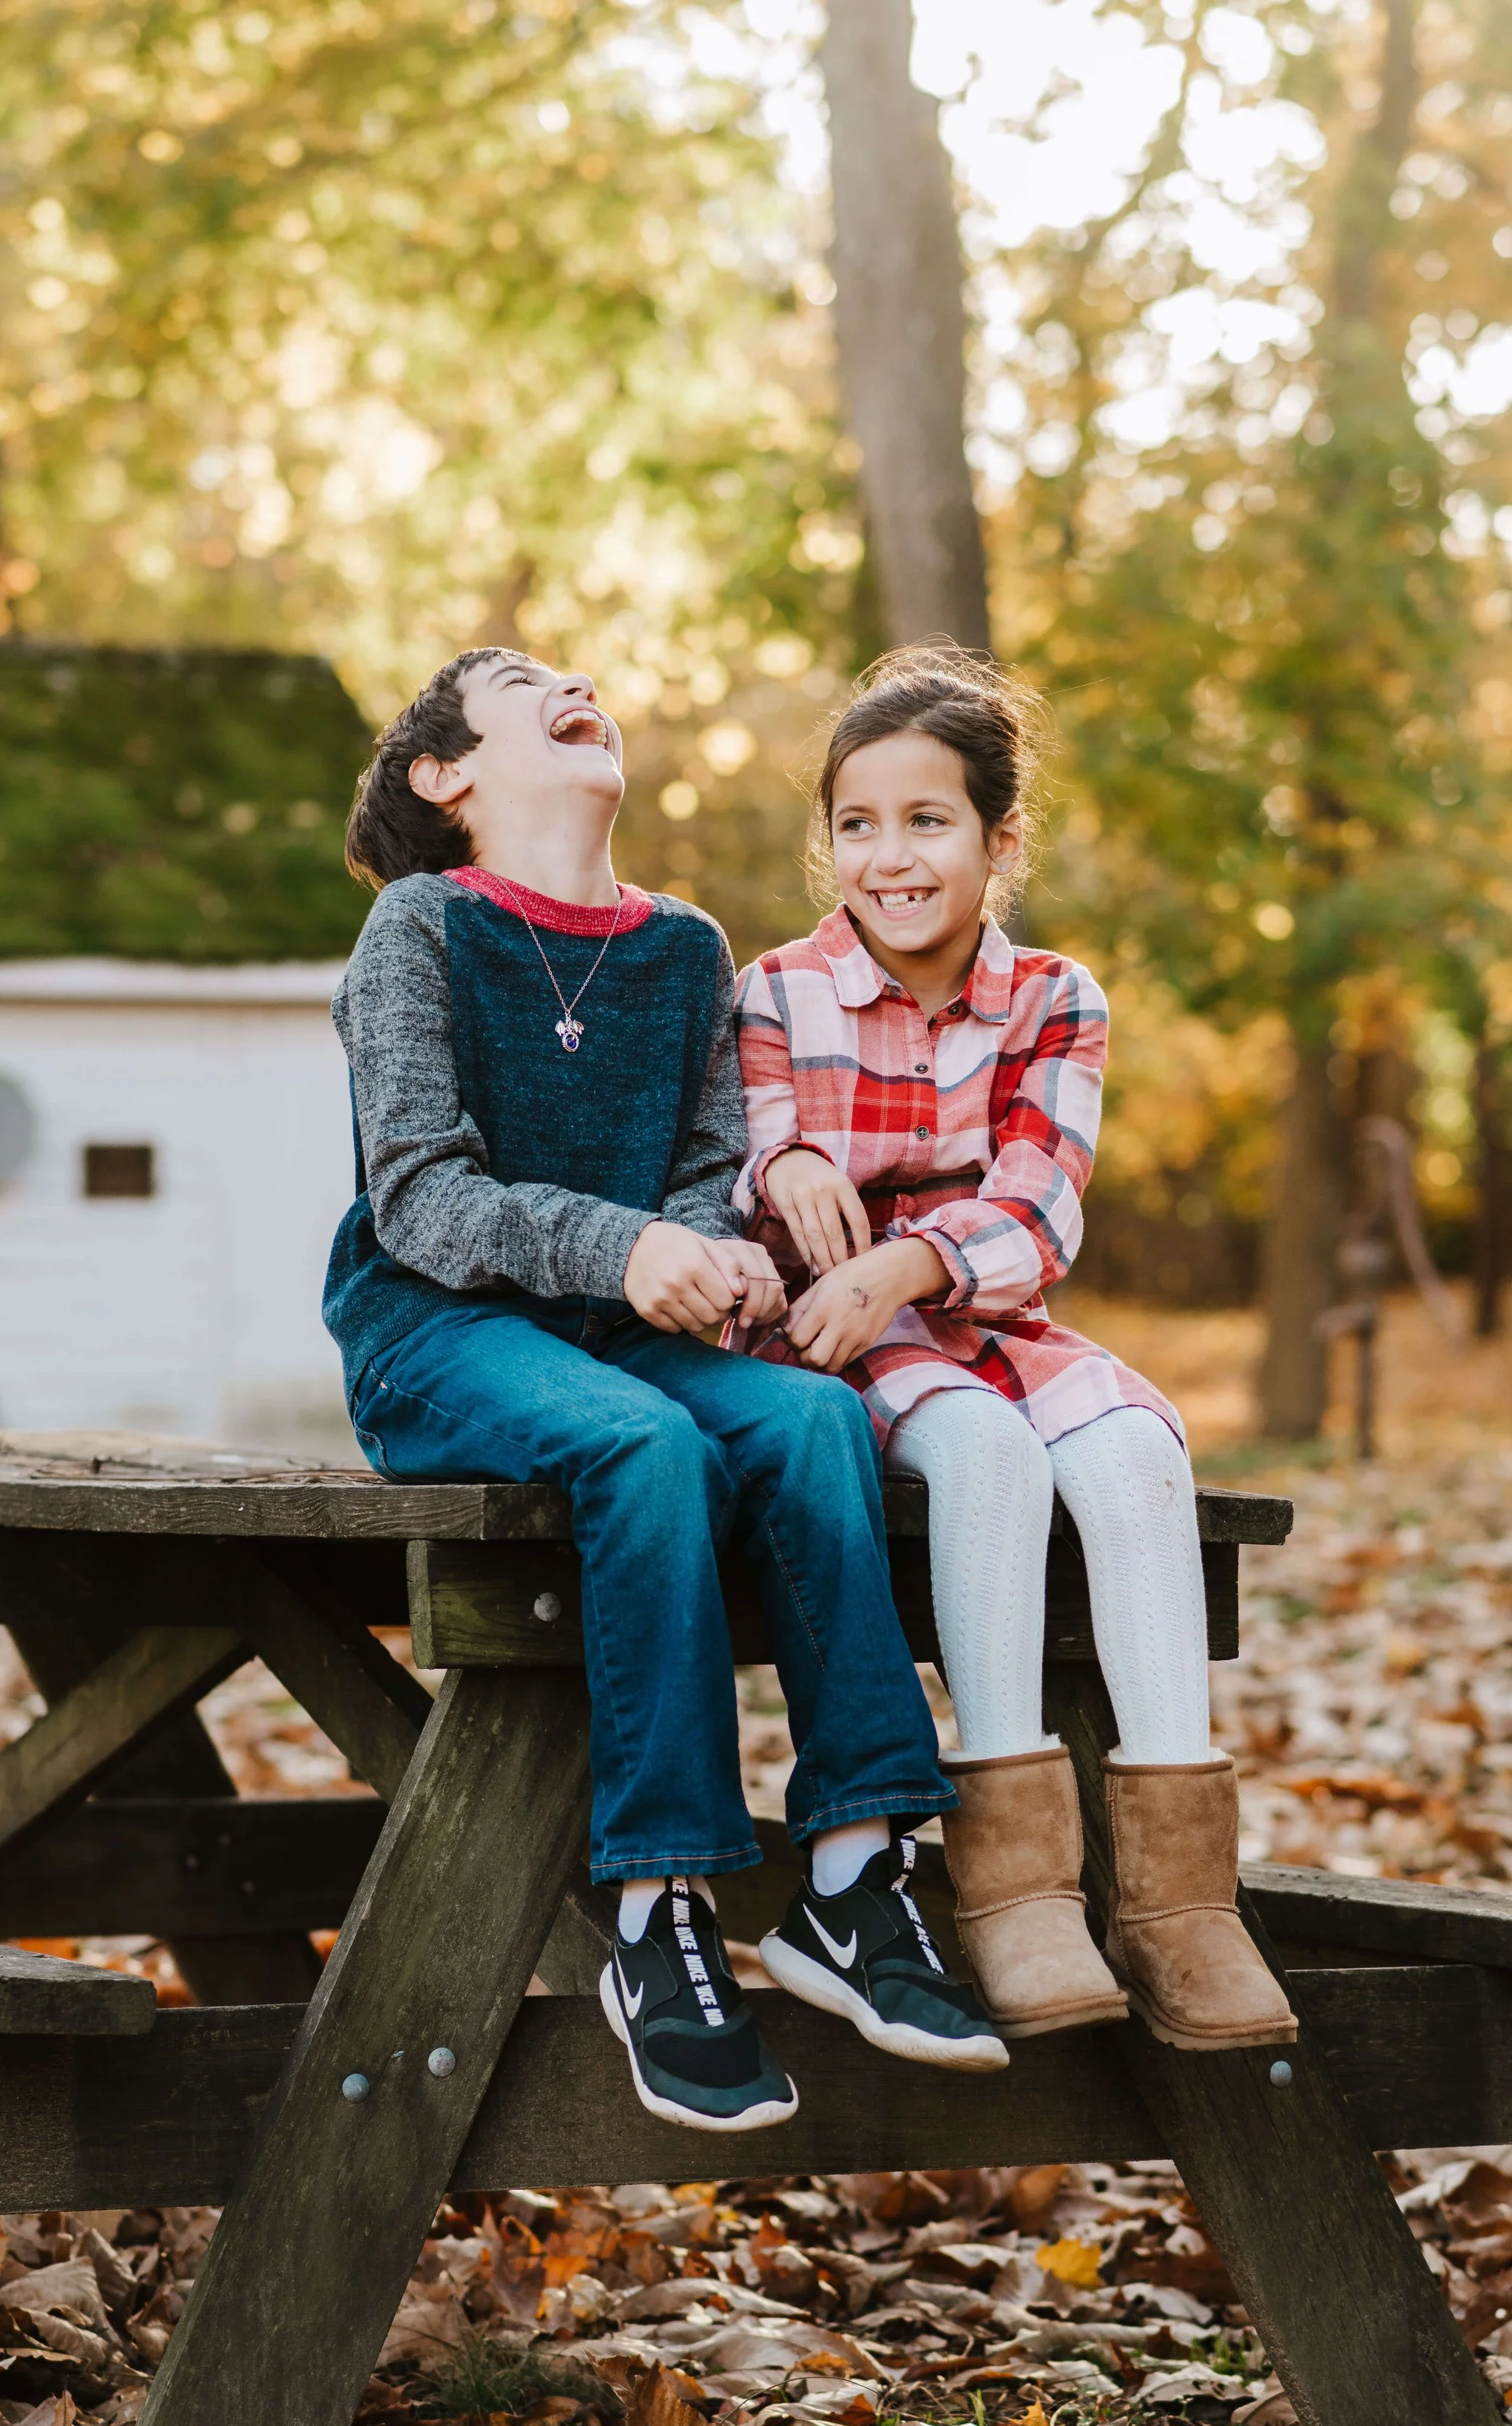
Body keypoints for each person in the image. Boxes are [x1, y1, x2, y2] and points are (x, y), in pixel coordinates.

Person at [322, 646, 1006, 2137]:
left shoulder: (685, 948)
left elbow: (704, 1169)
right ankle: (657, 1903)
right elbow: (422, 1198)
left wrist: (717, 1256)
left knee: (818, 1420)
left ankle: (852, 1871)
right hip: (440, 1328)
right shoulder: (414, 931)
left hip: (626, 1325)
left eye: (575, 672)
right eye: (516, 682)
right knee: (648, 1452)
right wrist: (625, 1246)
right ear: (448, 778)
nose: (569, 682)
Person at [732, 647, 1297, 2055]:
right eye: (858, 824)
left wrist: (909, 1258)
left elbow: (1042, 1203)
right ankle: (1014, 1885)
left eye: (928, 822)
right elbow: (738, 1153)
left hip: (993, 1312)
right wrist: (788, 1165)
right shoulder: (774, 990)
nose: (890, 857)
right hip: (848, 1348)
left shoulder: (1055, 994)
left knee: (1134, 1457)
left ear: (999, 838)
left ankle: (1182, 1906)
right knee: (984, 1459)